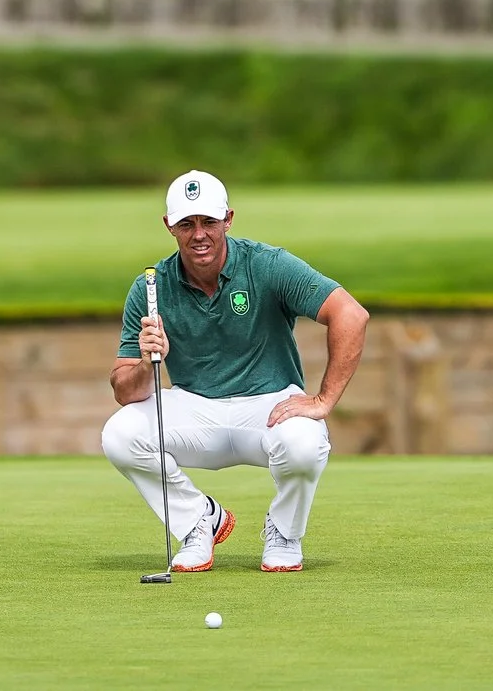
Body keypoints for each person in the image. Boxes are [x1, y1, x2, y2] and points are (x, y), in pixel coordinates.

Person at [101, 171, 369, 574]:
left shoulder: (267, 265)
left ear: (228, 219)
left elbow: (350, 314)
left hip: (268, 406)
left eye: (208, 222)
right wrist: (146, 360)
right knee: (119, 435)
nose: (198, 235)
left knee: (304, 442)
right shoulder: (151, 287)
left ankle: (284, 532)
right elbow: (125, 391)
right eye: (186, 224)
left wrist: (323, 400)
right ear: (168, 225)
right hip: (195, 409)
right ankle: (197, 522)